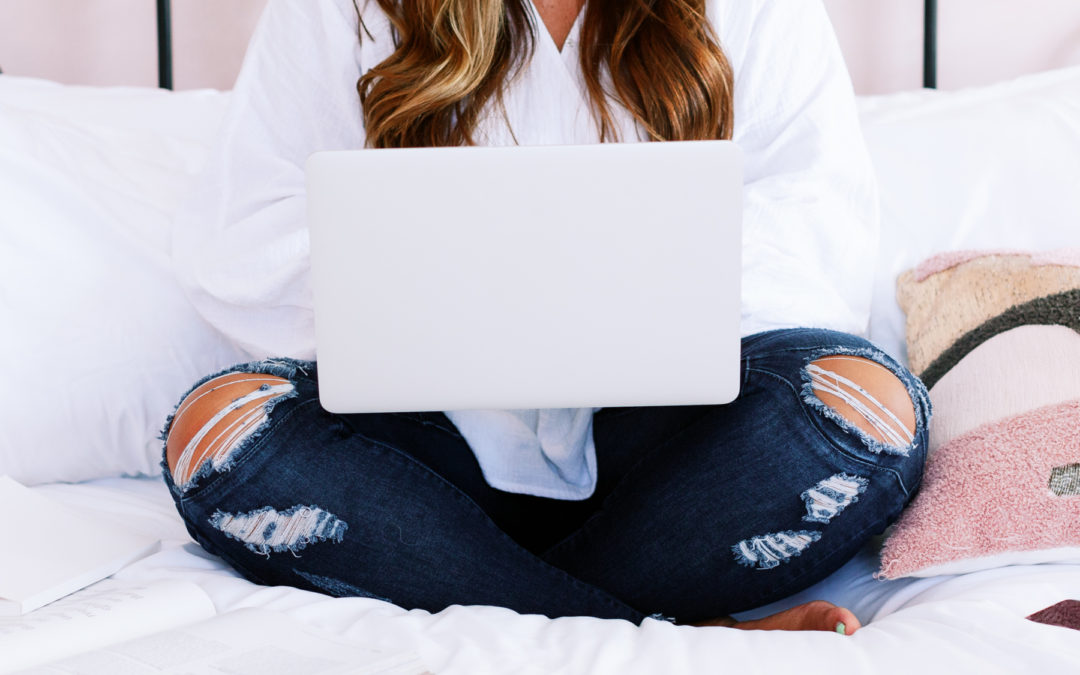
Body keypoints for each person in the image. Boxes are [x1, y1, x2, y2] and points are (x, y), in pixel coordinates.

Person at [160, 0, 931, 634]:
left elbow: (814, 226)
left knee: (867, 410)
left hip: (672, 458)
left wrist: (620, 284)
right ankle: (667, 627)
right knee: (217, 431)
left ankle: (509, 593)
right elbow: (245, 235)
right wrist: (447, 277)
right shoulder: (343, 8)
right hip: (422, 457)